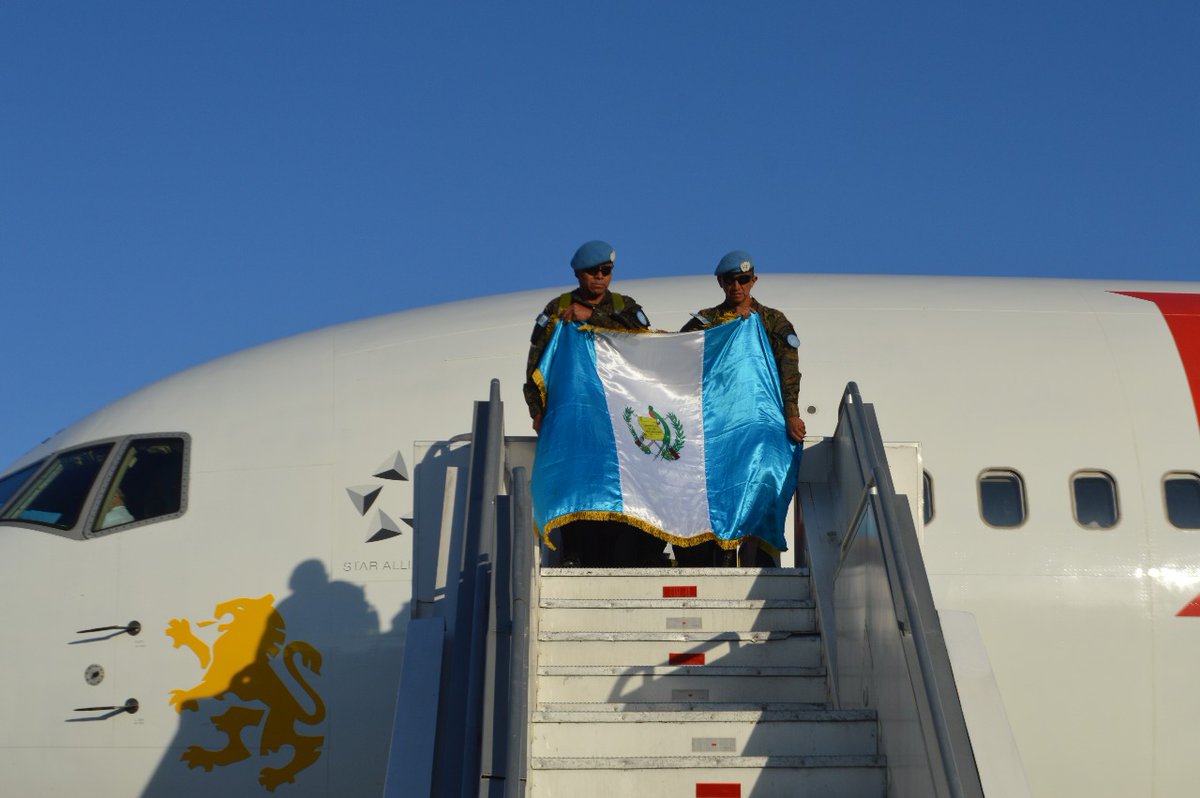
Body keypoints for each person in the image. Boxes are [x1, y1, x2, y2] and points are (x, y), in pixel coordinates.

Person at [525, 240, 660, 567]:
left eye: (606, 271)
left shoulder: (624, 306)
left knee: (616, 482)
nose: (600, 277)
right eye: (593, 272)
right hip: (573, 410)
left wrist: (593, 315)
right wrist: (537, 410)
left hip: (616, 412)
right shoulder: (557, 308)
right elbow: (536, 363)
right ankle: (574, 552)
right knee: (576, 481)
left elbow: (642, 344)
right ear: (578, 273)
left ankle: (621, 554)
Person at [675, 250, 805, 567]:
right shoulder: (704, 322)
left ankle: (755, 554)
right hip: (717, 420)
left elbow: (788, 368)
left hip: (760, 417)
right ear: (720, 282)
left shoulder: (772, 320)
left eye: (743, 280)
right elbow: (677, 357)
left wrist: (791, 413)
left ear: (754, 281)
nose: (737, 286)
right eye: (730, 280)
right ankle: (716, 550)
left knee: (762, 479)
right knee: (718, 487)